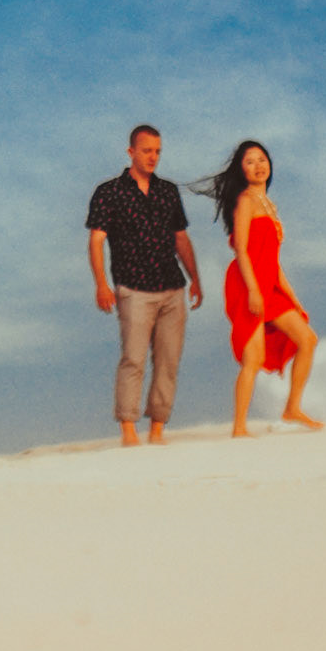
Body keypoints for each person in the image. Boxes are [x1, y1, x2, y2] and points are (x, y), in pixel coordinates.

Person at [190, 140, 321, 437]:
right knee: (253, 358)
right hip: (246, 283)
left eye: (262, 159)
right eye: (250, 161)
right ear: (241, 169)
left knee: (307, 339)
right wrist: (253, 291)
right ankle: (239, 428)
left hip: (269, 284)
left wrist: (294, 299)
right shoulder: (245, 201)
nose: (258, 166)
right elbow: (242, 250)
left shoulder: (270, 207)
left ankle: (292, 408)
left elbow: (274, 263)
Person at [86, 125, 204, 446]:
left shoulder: (167, 191)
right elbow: (96, 240)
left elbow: (181, 237)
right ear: (131, 152)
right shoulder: (108, 192)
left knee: (168, 361)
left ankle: (157, 430)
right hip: (133, 288)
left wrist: (195, 280)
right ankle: (128, 431)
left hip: (171, 287)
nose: (153, 157)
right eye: (147, 150)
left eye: (157, 151)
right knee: (133, 359)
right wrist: (101, 284)